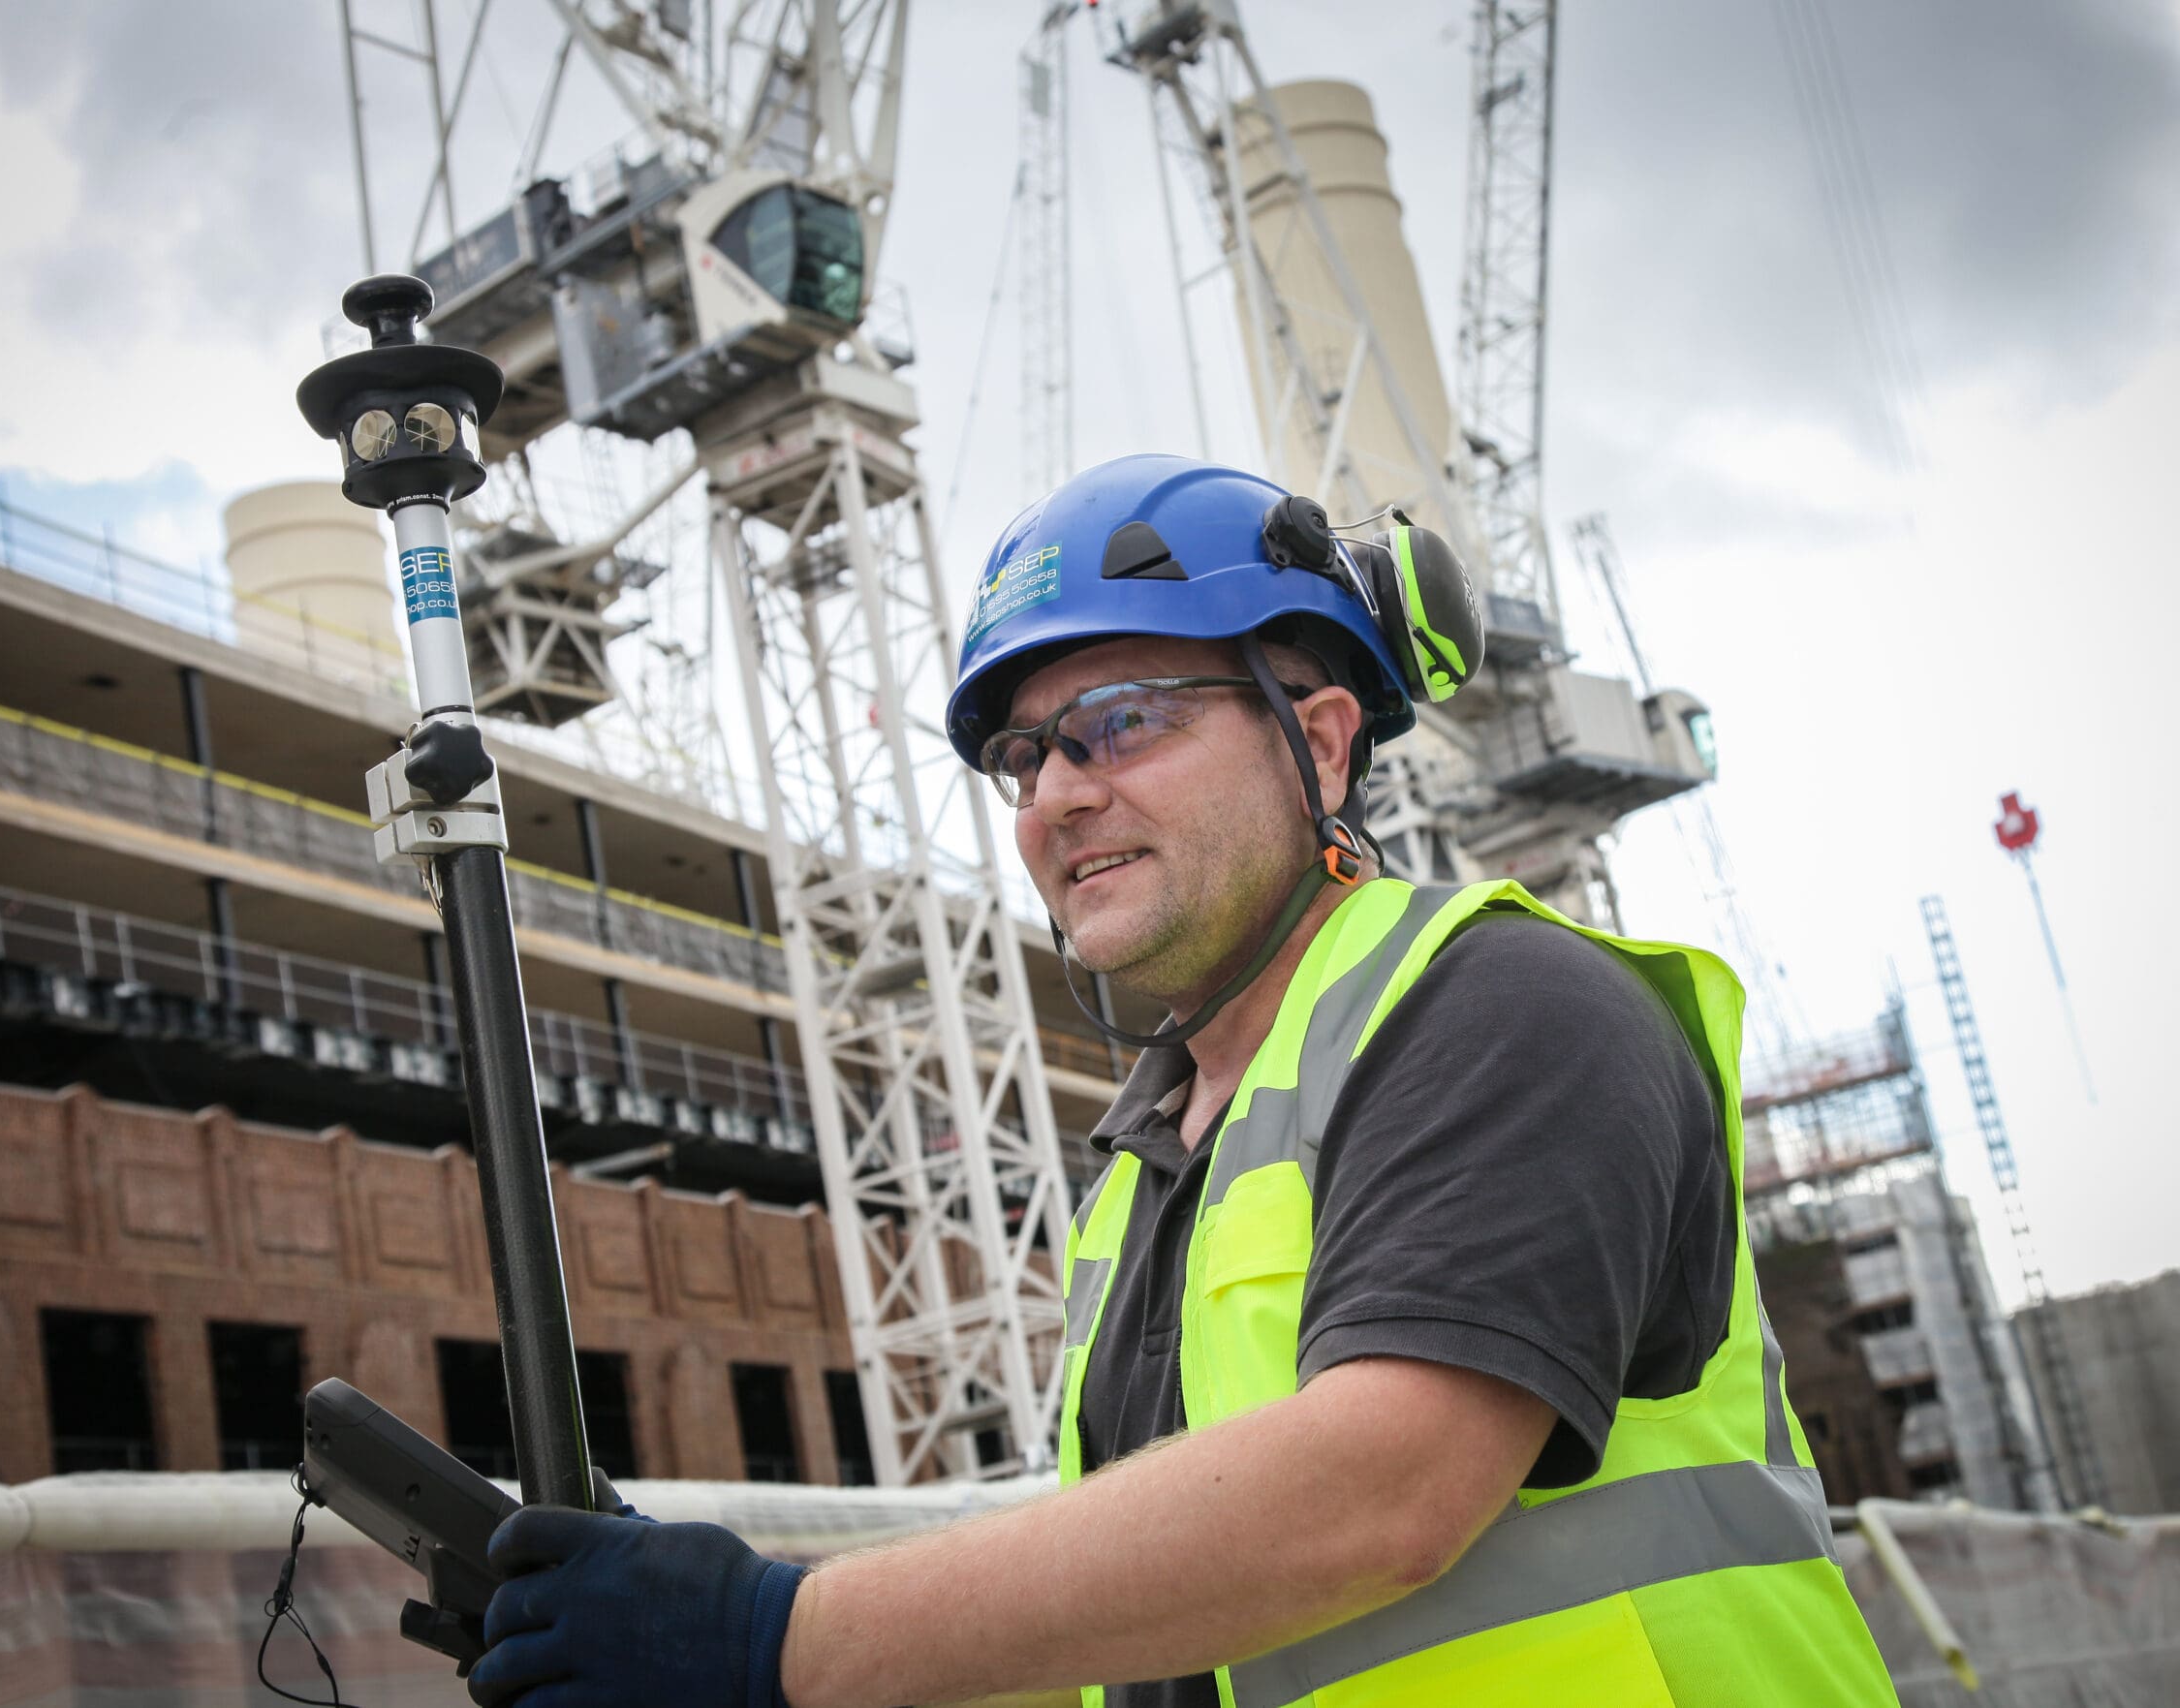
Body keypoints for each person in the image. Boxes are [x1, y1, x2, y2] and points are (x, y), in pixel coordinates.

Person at [463, 455, 1899, 1708]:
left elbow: (1384, 1494)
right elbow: (1152, 1649)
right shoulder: (1156, 1163)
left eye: (1126, 719)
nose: (1054, 797)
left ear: (1321, 743)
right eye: (1022, 758)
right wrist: (693, 1640)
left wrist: (774, 1636)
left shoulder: (1509, 1007)